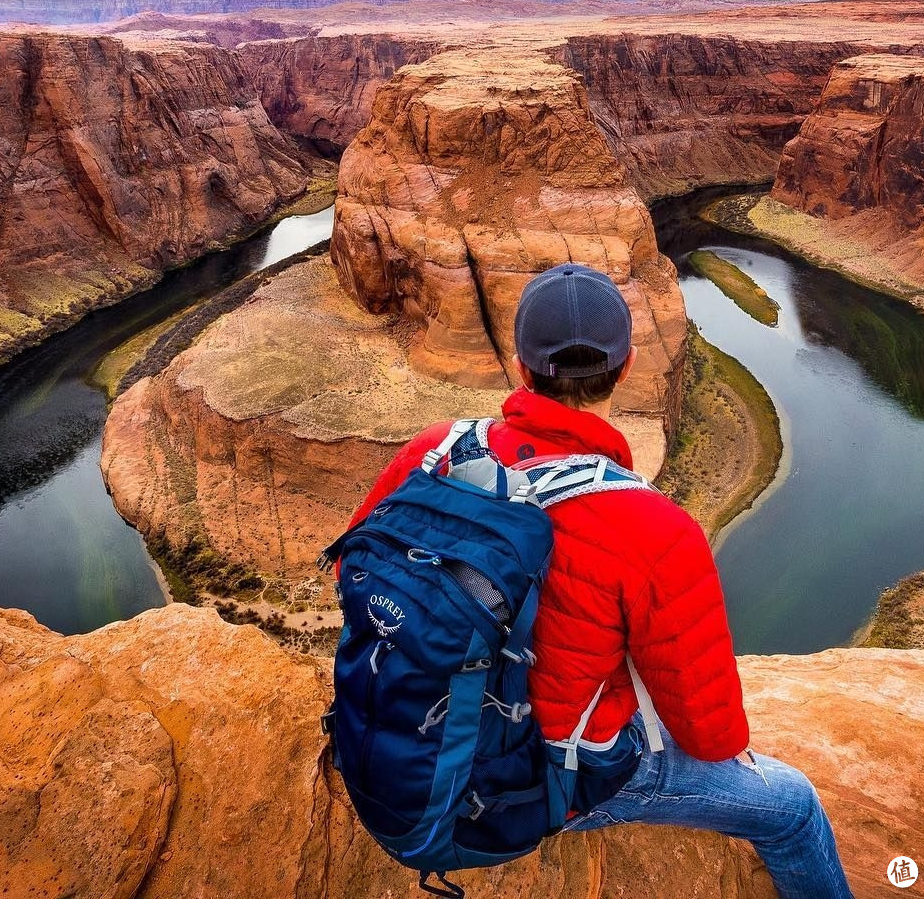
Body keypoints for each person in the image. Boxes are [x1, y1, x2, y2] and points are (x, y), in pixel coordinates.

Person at [346, 263, 854, 899]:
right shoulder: (651, 526)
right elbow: (709, 733)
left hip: (401, 736)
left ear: (520, 364)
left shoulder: (435, 450)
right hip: (551, 780)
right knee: (794, 809)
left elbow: (352, 568)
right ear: (629, 363)